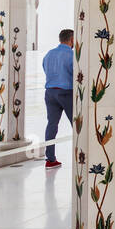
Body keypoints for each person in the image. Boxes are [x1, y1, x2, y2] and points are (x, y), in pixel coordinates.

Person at [42, 29, 74, 168]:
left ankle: (50, 159)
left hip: (50, 92)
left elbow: (45, 69)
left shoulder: (49, 54)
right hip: (66, 92)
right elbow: (77, 74)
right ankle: (82, 156)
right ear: (72, 40)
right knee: (77, 124)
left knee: (52, 125)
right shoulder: (72, 55)